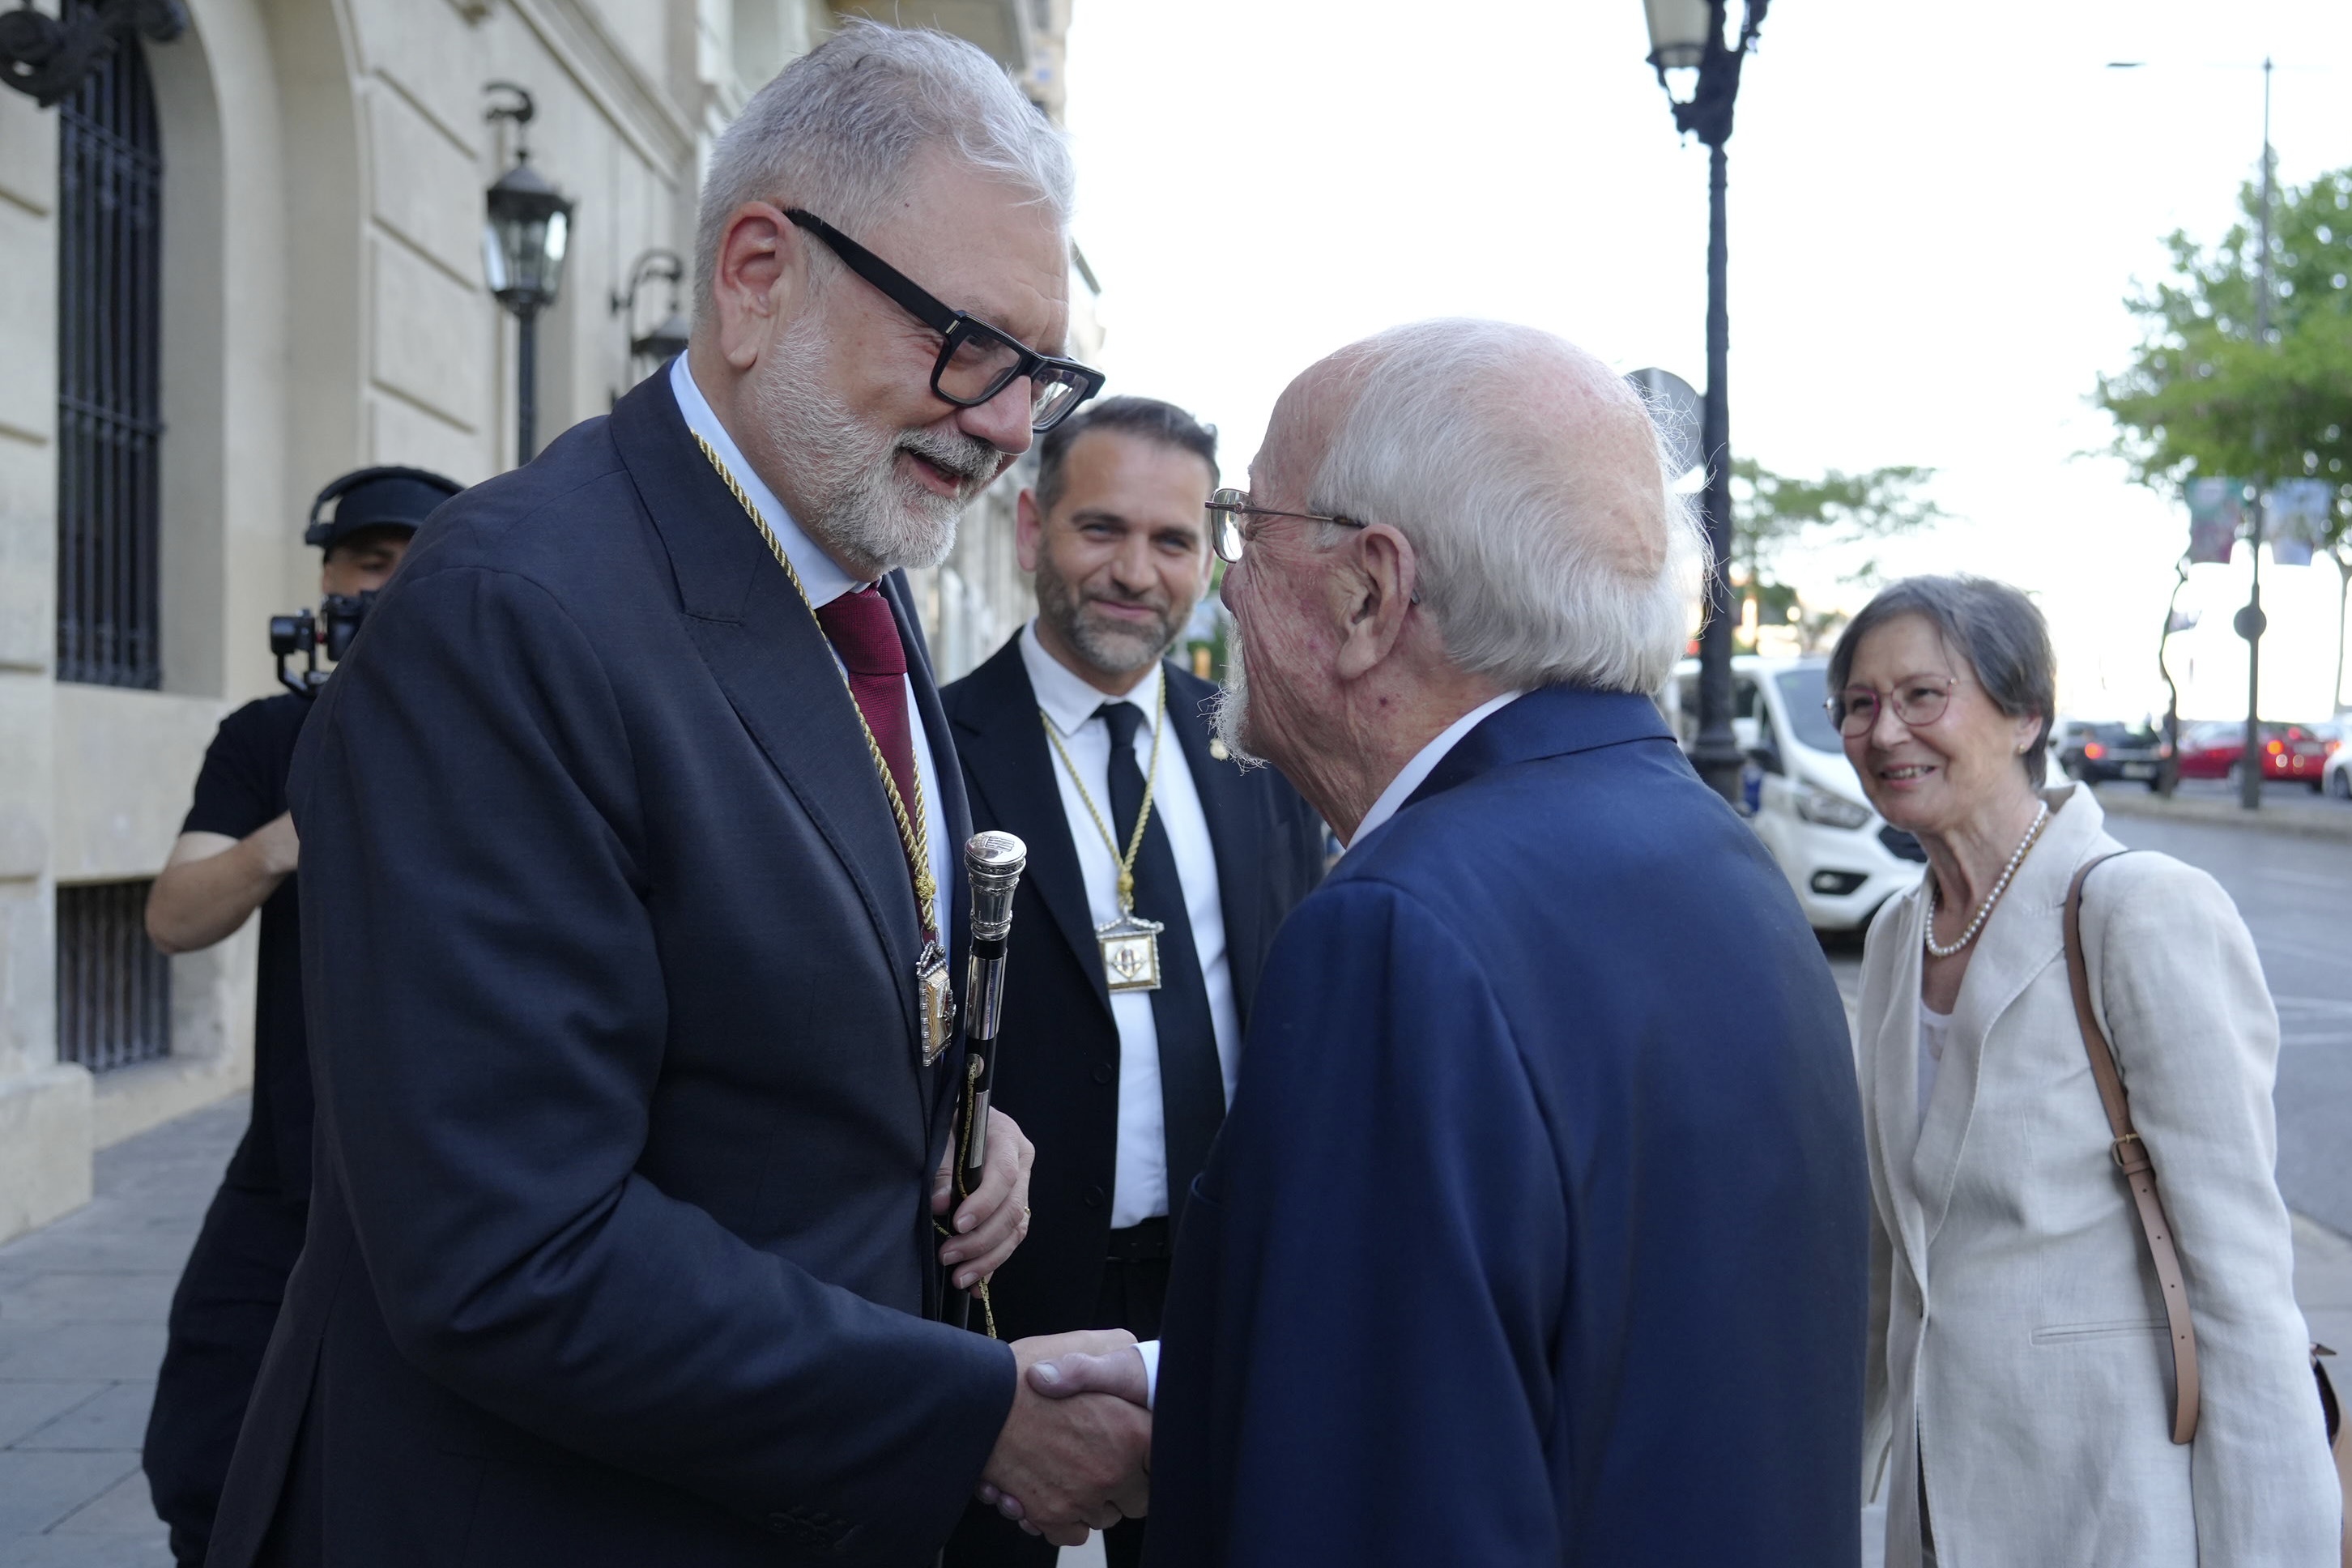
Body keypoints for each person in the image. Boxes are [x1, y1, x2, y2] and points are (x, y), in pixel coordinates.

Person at [207, 26, 1147, 1568]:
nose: (1000, 423)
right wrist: (965, 1415)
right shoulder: (510, 613)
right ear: (757, 274)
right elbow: (511, 1249)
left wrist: (964, 1123)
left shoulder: (851, 558)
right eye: (969, 344)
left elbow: (792, 993)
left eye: (1038, 375)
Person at [1024, 319, 1872, 1563]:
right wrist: (1190, 1374)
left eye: (1249, 526)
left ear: (1369, 592)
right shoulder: (1710, 856)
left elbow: (1369, 1515)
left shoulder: (1397, 932)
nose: (1226, 579)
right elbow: (1572, 1344)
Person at [1829, 575, 2339, 1566]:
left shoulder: (2139, 909)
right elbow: (1892, 1257)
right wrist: (1825, 1482)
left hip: (2109, 1507)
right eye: (1858, 704)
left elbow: (2237, 1276)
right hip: (1938, 1516)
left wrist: (2277, 1547)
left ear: (2026, 714)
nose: (1885, 731)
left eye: (1922, 695)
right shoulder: (1897, 934)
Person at [940, 396, 1325, 1568]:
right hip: (1008, 1293)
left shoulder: (1262, 752)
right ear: (1029, 530)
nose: (1135, 572)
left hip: (1216, 1282)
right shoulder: (938, 752)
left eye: (1172, 541)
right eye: (1100, 529)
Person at [140, 463, 458, 1568]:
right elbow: (175, 917)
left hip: (442, 1180)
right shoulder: (264, 740)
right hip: (285, 1172)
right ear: (325, 582)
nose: (383, 589)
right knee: (204, 1454)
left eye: (410, 566)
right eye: (366, 563)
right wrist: (294, 828)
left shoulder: (502, 738)